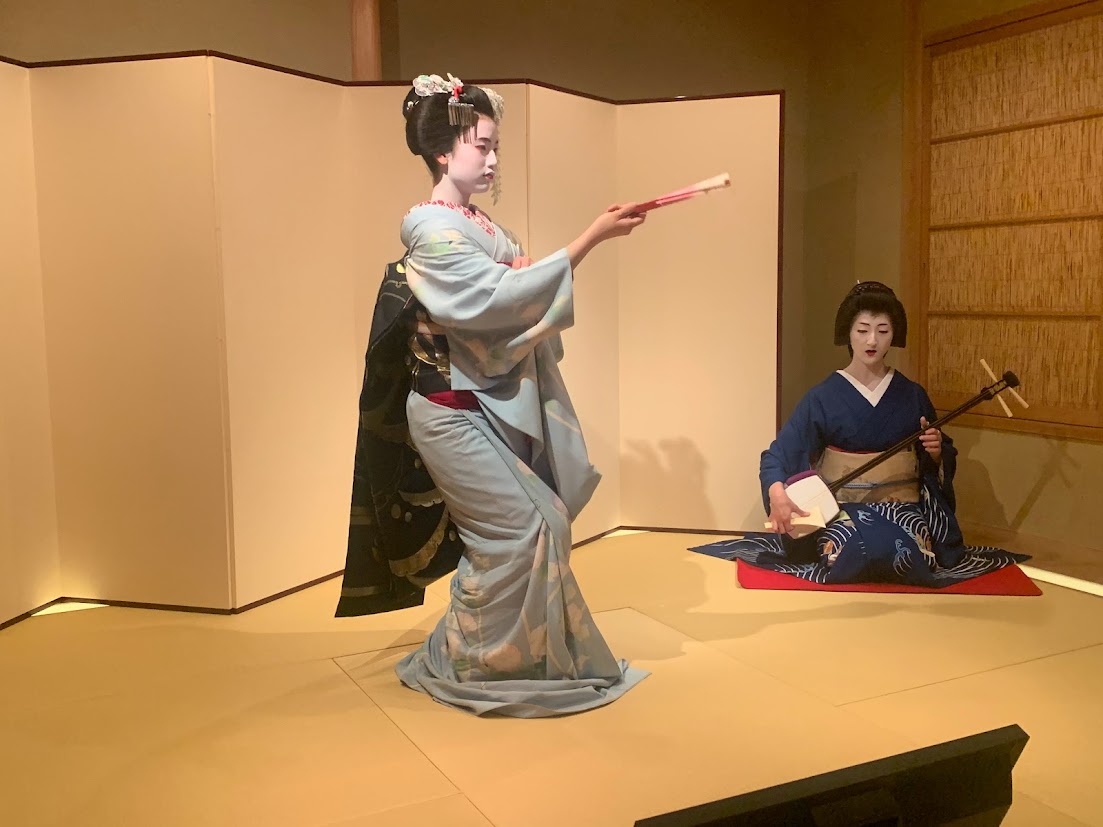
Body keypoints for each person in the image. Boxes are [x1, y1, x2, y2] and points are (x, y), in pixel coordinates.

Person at [336, 73, 648, 716]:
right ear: (443, 151)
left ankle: (516, 656)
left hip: (480, 401)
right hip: (447, 413)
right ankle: (472, 659)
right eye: (481, 146)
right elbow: (498, 301)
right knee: (516, 531)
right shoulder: (430, 231)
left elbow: (512, 291)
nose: (492, 159)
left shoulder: (478, 226)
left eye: (495, 146)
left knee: (545, 522)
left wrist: (523, 274)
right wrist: (590, 238)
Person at [700, 281, 1024, 586]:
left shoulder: (912, 395)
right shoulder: (823, 396)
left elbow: (937, 459)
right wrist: (777, 493)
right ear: (848, 334)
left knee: (909, 553)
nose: (872, 341)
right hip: (841, 508)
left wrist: (936, 451)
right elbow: (779, 454)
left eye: (882, 331)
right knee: (850, 550)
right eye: (863, 330)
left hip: (902, 509)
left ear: (893, 335)